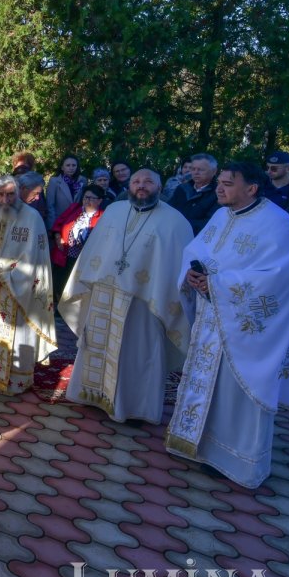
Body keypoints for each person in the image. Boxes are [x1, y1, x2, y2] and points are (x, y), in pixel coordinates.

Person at [168, 161, 289, 488]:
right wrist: (189, 275)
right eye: (219, 182)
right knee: (208, 386)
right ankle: (197, 444)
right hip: (210, 321)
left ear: (252, 188)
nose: (219, 188)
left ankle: (236, 460)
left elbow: (280, 280)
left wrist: (217, 284)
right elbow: (196, 249)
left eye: (228, 183)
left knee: (236, 392)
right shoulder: (221, 215)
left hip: (245, 329)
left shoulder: (279, 225)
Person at [60, 170, 193, 423]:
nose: (141, 186)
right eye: (136, 182)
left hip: (143, 302)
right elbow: (96, 249)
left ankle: (133, 408)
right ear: (129, 186)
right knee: (97, 346)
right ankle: (90, 394)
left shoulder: (175, 222)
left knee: (136, 354)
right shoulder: (114, 211)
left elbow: (175, 268)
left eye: (148, 182)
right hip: (105, 295)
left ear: (160, 186)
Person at [0, 174, 57, 394]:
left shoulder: (32, 218)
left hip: (17, 290)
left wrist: (6, 277)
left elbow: (34, 258)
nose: (5, 200)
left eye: (10, 195)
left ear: (19, 193)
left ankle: (13, 380)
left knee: (15, 332)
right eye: (0, 194)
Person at [50, 183, 106, 303]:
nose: (87, 200)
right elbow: (59, 223)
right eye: (85, 197)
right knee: (60, 282)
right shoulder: (74, 208)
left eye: (91, 198)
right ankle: (58, 310)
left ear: (100, 200)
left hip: (84, 259)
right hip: (65, 254)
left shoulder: (103, 216)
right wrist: (57, 235)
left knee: (75, 287)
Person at [168, 152, 219, 235]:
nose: (196, 172)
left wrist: (179, 224)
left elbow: (210, 224)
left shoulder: (219, 193)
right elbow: (168, 210)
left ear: (214, 171)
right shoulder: (182, 188)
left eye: (201, 169)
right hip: (172, 235)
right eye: (193, 169)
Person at [45, 154, 87, 229]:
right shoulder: (54, 181)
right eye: (68, 165)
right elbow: (50, 206)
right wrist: (52, 227)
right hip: (59, 222)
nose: (71, 168)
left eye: (74, 165)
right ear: (62, 167)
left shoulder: (82, 180)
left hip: (77, 222)